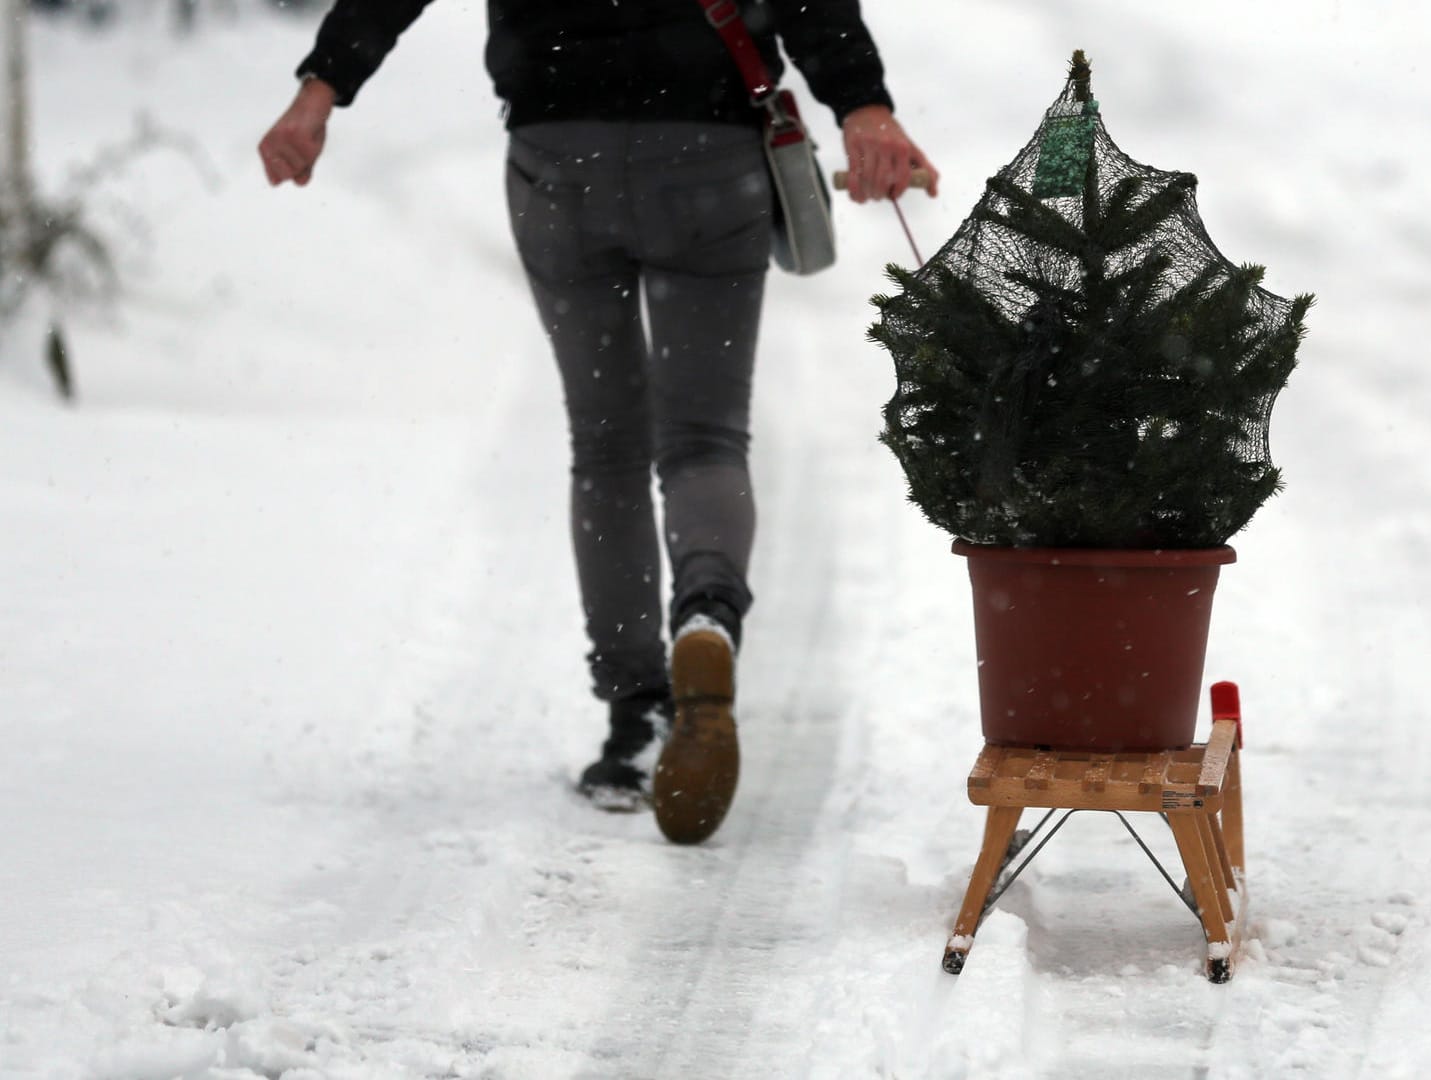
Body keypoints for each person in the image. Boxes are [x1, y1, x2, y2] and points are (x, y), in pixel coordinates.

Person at [258, 0, 938, 844]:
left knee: (606, 444)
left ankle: (635, 722)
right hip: (707, 153)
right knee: (705, 438)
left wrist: (321, 89)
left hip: (560, 155)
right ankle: (706, 616)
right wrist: (862, 104)